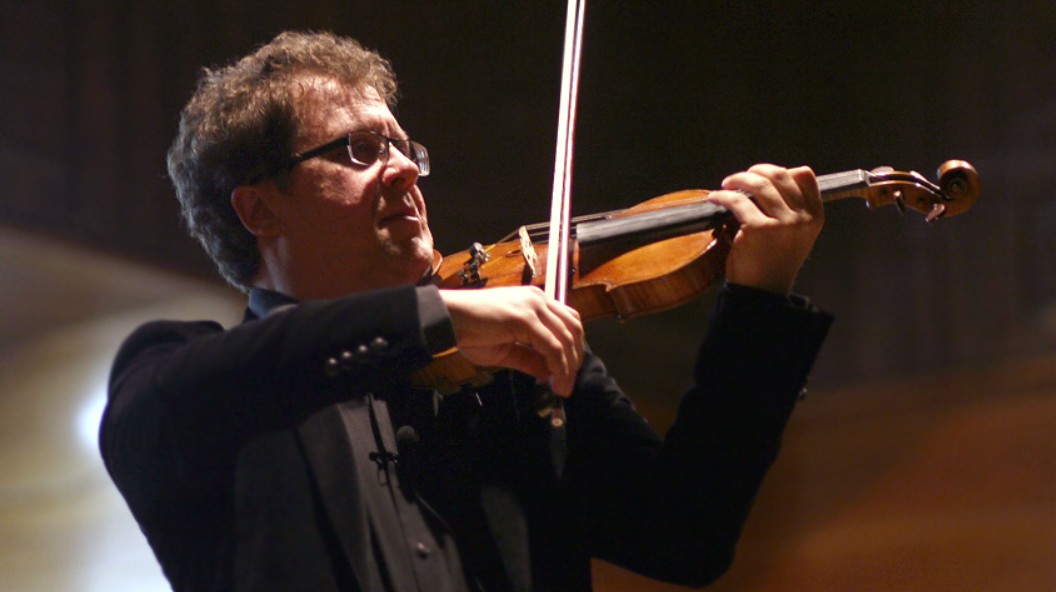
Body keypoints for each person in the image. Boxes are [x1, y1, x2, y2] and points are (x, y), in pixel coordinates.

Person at [100, 31, 832, 592]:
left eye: (402, 146)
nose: (404, 168)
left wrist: (759, 303)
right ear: (260, 209)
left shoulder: (509, 369)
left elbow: (687, 534)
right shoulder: (203, 394)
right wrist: (425, 316)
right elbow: (184, 390)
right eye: (359, 150)